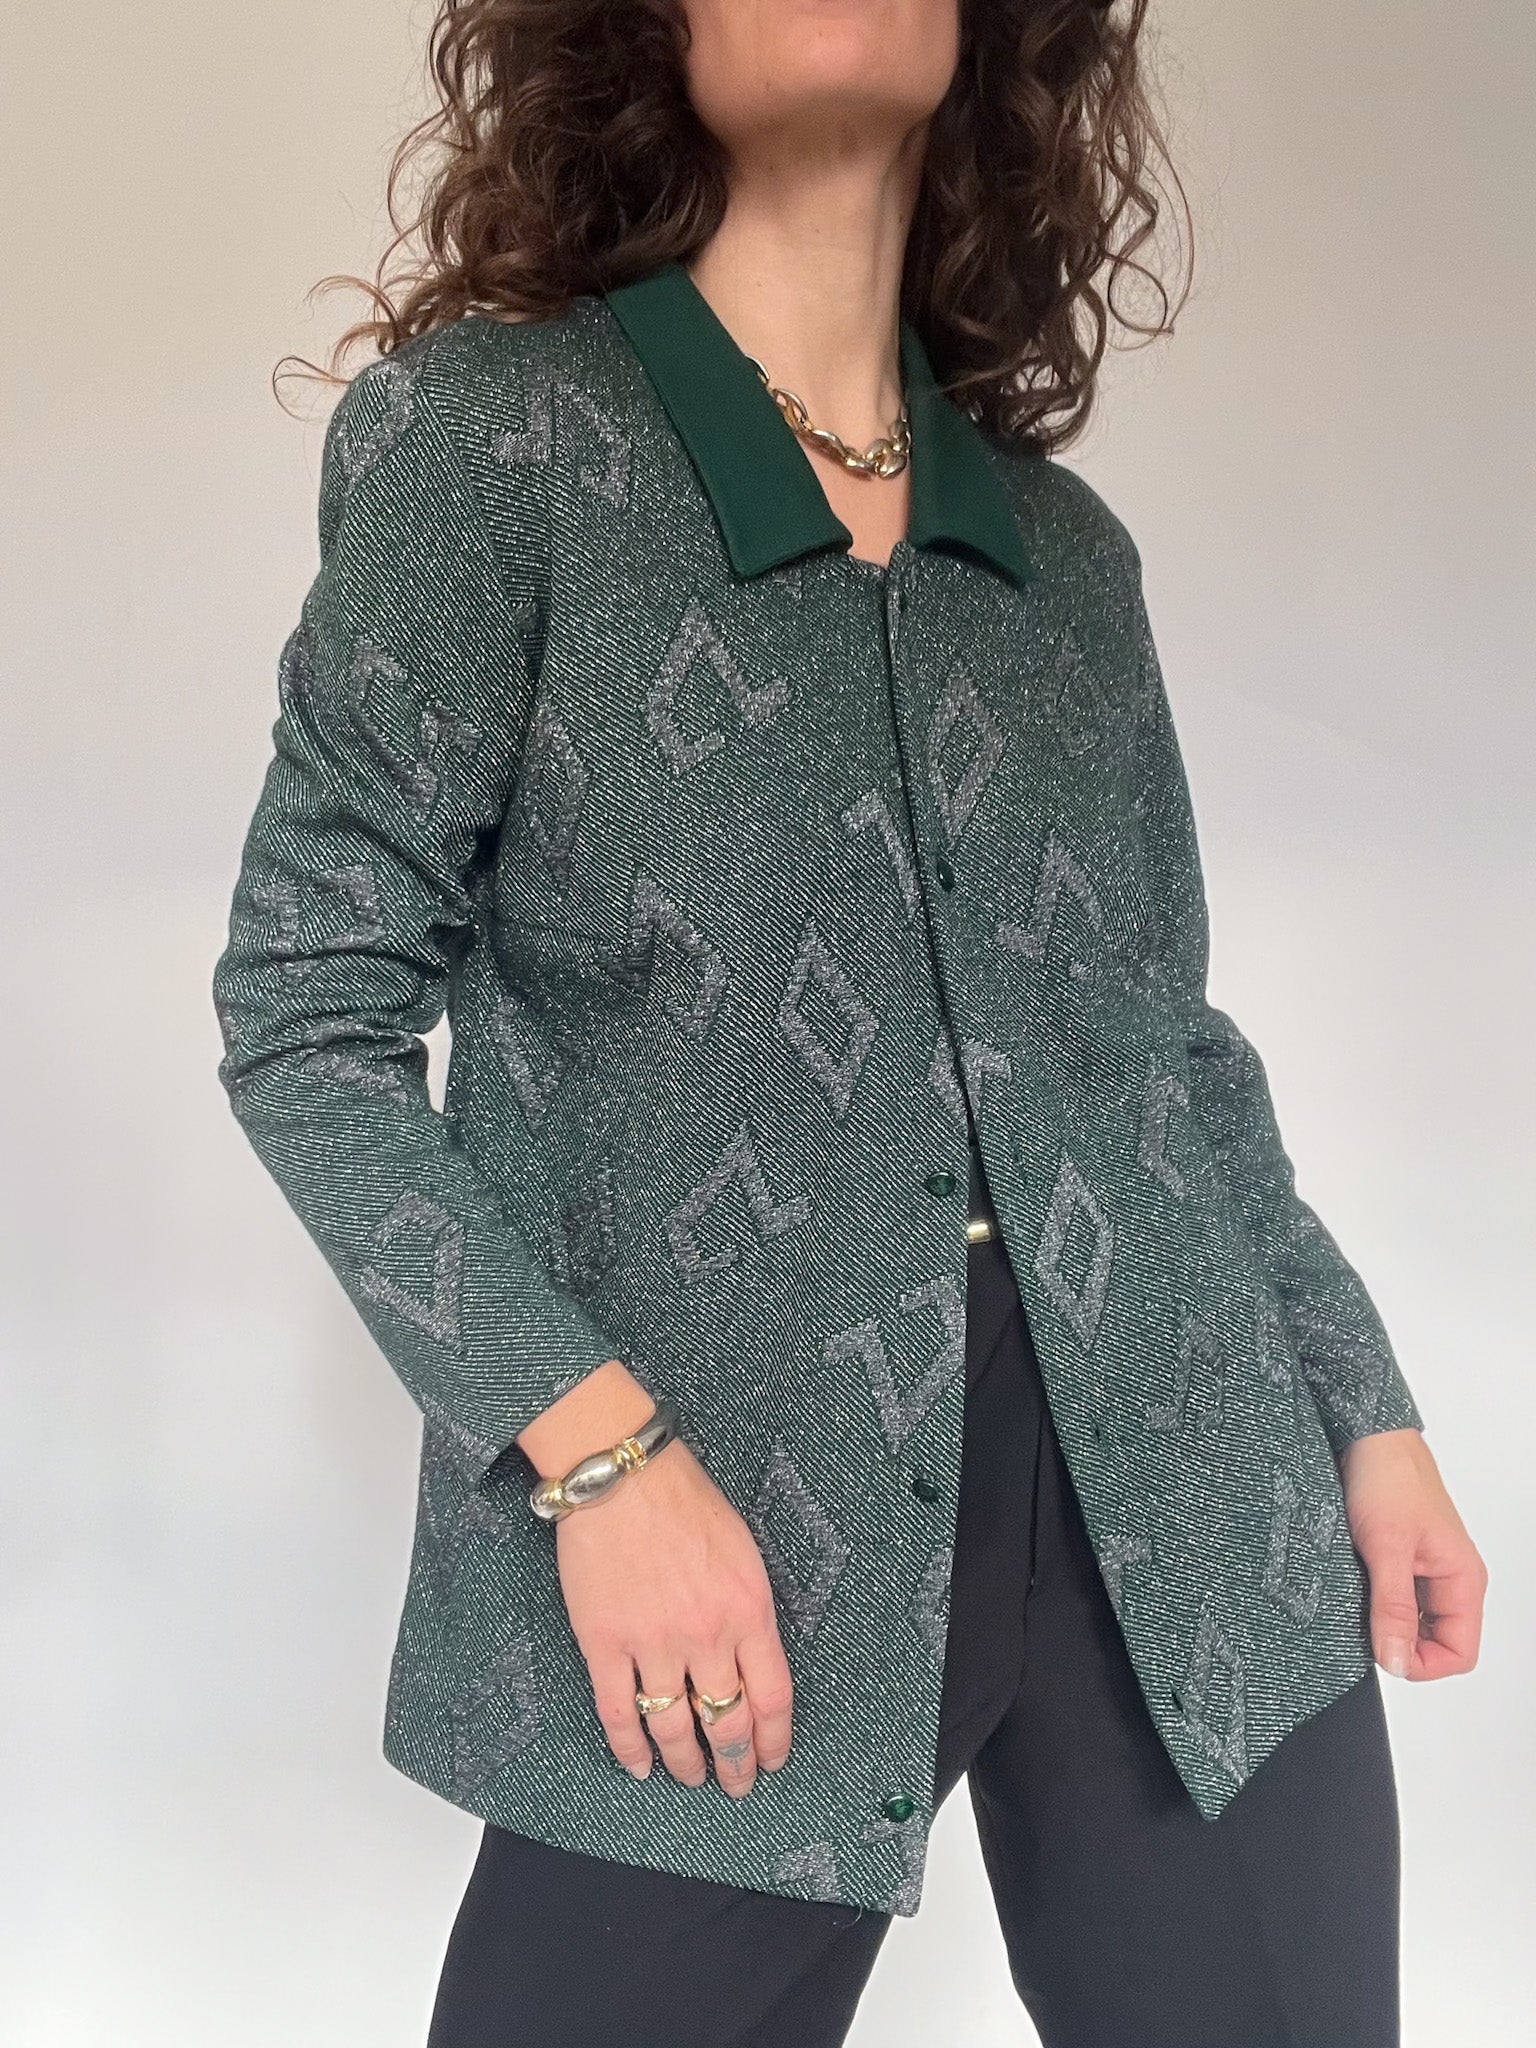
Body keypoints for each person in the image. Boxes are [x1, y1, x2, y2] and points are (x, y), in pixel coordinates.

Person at [210, 2, 1487, 2042]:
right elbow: (306, 1013)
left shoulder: (1066, 559)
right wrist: (599, 1461)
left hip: (1195, 1479)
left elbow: (1167, 1052)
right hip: (728, 1491)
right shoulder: (492, 450)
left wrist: (1367, 1407)